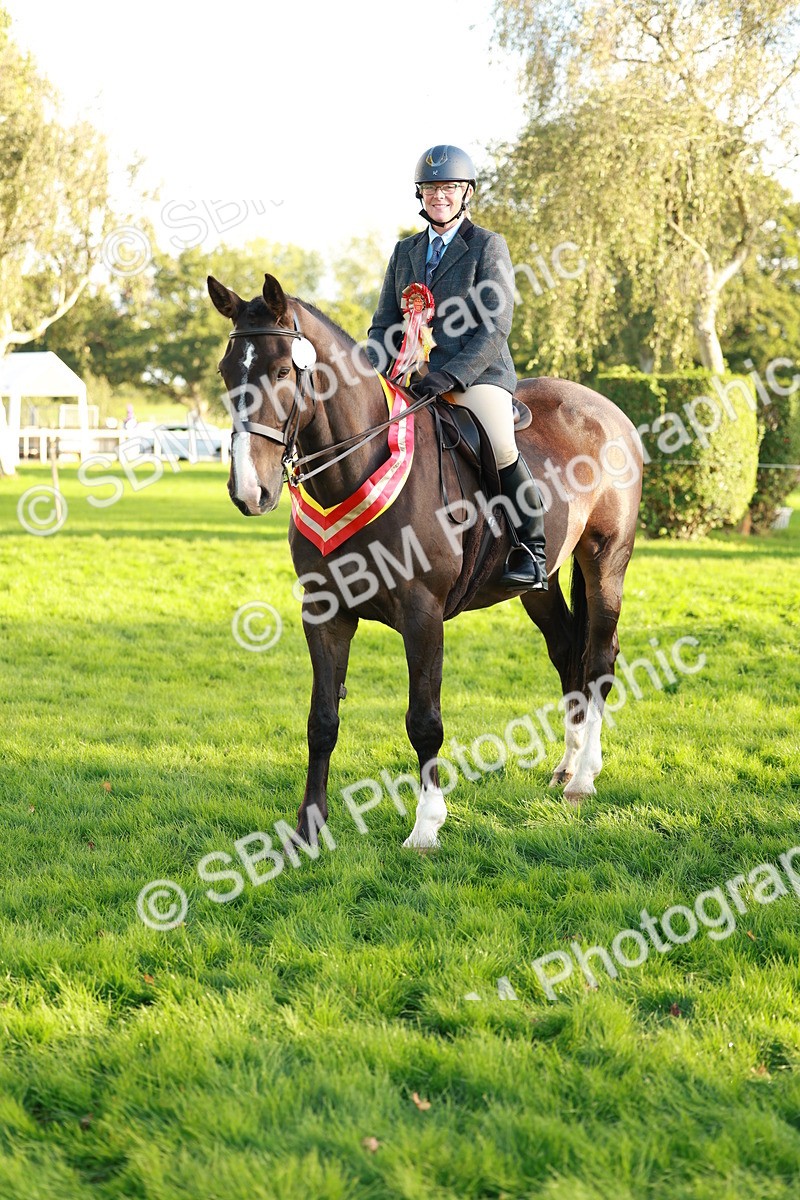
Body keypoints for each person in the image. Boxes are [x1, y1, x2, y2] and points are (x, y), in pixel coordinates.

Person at [366, 144, 547, 590]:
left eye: (447, 188)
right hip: (409, 376)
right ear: (420, 195)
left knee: (501, 442)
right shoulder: (405, 251)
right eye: (430, 189)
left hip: (474, 375)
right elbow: (383, 326)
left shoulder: (487, 245)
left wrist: (452, 374)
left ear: (465, 193)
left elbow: (495, 326)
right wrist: (366, 373)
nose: (438, 196)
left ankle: (533, 550)